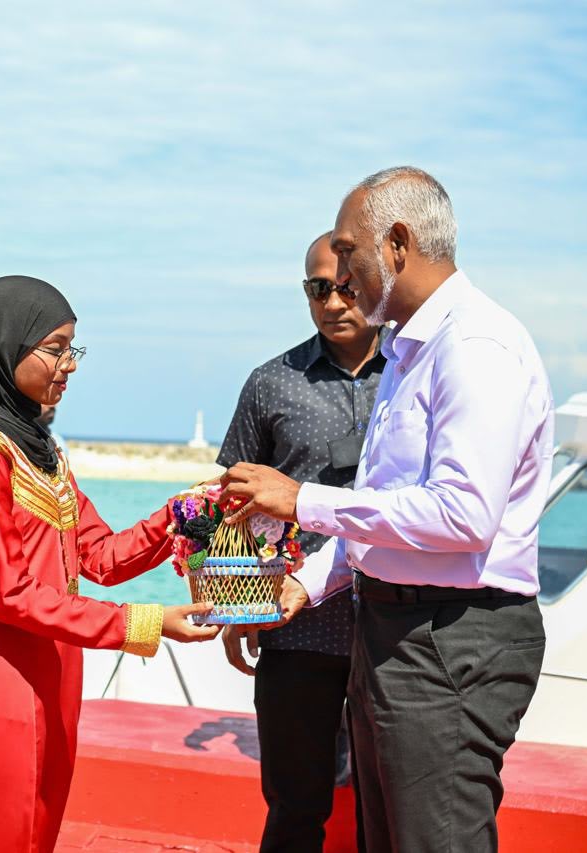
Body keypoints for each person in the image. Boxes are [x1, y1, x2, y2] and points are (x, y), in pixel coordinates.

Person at [221, 167, 553, 852]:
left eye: (348, 252)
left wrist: (303, 500)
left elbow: (463, 515)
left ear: (397, 244)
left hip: (449, 635)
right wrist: (305, 583)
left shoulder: (474, 345)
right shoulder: (409, 349)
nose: (341, 277)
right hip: (392, 629)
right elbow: (384, 507)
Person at [0, 276, 220, 853]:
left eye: (71, 348)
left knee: (32, 829)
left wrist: (187, 512)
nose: (70, 364)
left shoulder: (38, 449)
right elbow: (10, 593)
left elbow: (100, 556)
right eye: (55, 349)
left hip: (48, 666)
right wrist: (147, 622)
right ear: (5, 347)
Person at [217, 231, 386, 852]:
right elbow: (230, 500)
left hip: (397, 629)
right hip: (297, 626)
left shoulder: (416, 375)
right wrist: (237, 604)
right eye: (319, 289)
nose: (333, 302)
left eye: (347, 288)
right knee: (294, 804)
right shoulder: (271, 382)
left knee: (392, 804)